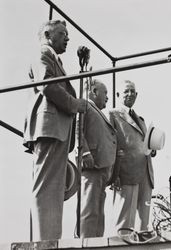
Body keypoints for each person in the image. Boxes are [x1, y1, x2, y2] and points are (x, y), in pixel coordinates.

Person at [23, 20, 87, 241]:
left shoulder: (52, 58)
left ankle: (51, 240)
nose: (67, 38)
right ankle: (45, 242)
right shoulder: (43, 54)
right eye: (63, 33)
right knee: (47, 188)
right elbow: (48, 84)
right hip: (49, 129)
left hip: (56, 130)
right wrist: (73, 104)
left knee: (54, 189)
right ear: (48, 34)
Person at [108, 80, 156, 233]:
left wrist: (152, 148)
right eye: (126, 91)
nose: (130, 94)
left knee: (145, 225)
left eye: (133, 91)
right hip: (126, 172)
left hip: (145, 173)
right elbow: (110, 144)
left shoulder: (140, 119)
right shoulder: (112, 115)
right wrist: (113, 173)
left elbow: (145, 143)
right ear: (117, 95)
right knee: (125, 222)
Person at [78, 79, 117, 238]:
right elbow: (77, 129)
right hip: (92, 165)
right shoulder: (85, 105)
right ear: (94, 91)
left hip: (101, 166)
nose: (107, 97)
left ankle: (96, 242)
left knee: (98, 209)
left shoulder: (95, 110)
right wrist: (85, 153)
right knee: (90, 208)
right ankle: (87, 243)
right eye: (105, 93)